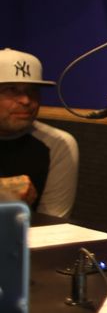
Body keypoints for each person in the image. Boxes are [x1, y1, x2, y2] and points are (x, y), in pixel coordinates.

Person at [0, 48, 79, 218]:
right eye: (11, 89)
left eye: (32, 90)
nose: (26, 100)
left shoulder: (58, 144)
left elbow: (52, 225)